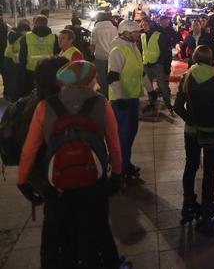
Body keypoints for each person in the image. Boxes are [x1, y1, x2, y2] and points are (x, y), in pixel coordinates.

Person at [17, 60, 127, 269]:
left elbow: (29, 149)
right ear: (89, 80)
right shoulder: (101, 103)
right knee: (96, 227)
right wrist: (117, 174)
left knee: (63, 234)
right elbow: (114, 143)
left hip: (58, 181)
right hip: (94, 178)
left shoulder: (45, 106)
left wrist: (23, 181)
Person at [174, 45, 214, 230]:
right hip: (211, 129)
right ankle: (208, 206)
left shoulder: (187, 76)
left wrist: (189, 118)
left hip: (191, 130)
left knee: (190, 166)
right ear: (211, 59)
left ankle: (188, 204)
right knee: (209, 170)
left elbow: (177, 107)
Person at [108, 20, 144, 181]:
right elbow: (112, 77)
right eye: (135, 32)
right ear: (125, 33)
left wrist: (151, 91)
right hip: (121, 100)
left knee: (130, 133)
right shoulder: (117, 50)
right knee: (124, 135)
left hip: (132, 97)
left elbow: (140, 71)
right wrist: (120, 97)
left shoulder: (133, 47)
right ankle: (121, 168)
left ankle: (125, 163)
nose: (138, 34)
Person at [18, 15, 59, 99]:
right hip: (48, 70)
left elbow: (22, 56)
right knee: (45, 94)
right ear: (46, 24)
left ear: (35, 24)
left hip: (30, 70)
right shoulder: (54, 37)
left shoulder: (26, 37)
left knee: (29, 94)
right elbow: (56, 55)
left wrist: (21, 70)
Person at [140, 19, 174, 114]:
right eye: (143, 24)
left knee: (163, 86)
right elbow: (141, 50)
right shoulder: (142, 35)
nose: (143, 26)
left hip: (157, 65)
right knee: (149, 87)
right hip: (146, 64)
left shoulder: (158, 35)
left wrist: (161, 62)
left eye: (145, 24)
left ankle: (168, 105)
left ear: (150, 25)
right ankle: (152, 104)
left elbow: (164, 51)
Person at [91, 12, 118, 98]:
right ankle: (112, 95)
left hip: (100, 57)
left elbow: (93, 44)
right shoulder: (114, 28)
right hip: (112, 56)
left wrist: (92, 54)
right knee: (112, 77)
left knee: (101, 78)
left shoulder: (95, 29)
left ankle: (104, 97)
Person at [3, 19, 30, 102]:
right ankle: (9, 96)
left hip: (17, 61)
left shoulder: (24, 35)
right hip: (10, 59)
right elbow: (11, 40)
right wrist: (21, 34)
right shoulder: (12, 32)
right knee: (10, 79)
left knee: (15, 80)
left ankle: (12, 96)